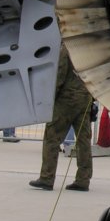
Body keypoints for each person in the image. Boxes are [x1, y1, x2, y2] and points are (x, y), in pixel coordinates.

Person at [29, 49, 93, 191]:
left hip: (66, 98)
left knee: (51, 137)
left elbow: (59, 75)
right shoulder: (88, 49)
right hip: (85, 98)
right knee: (83, 140)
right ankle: (83, 179)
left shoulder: (67, 49)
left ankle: (47, 177)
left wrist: (50, 97)